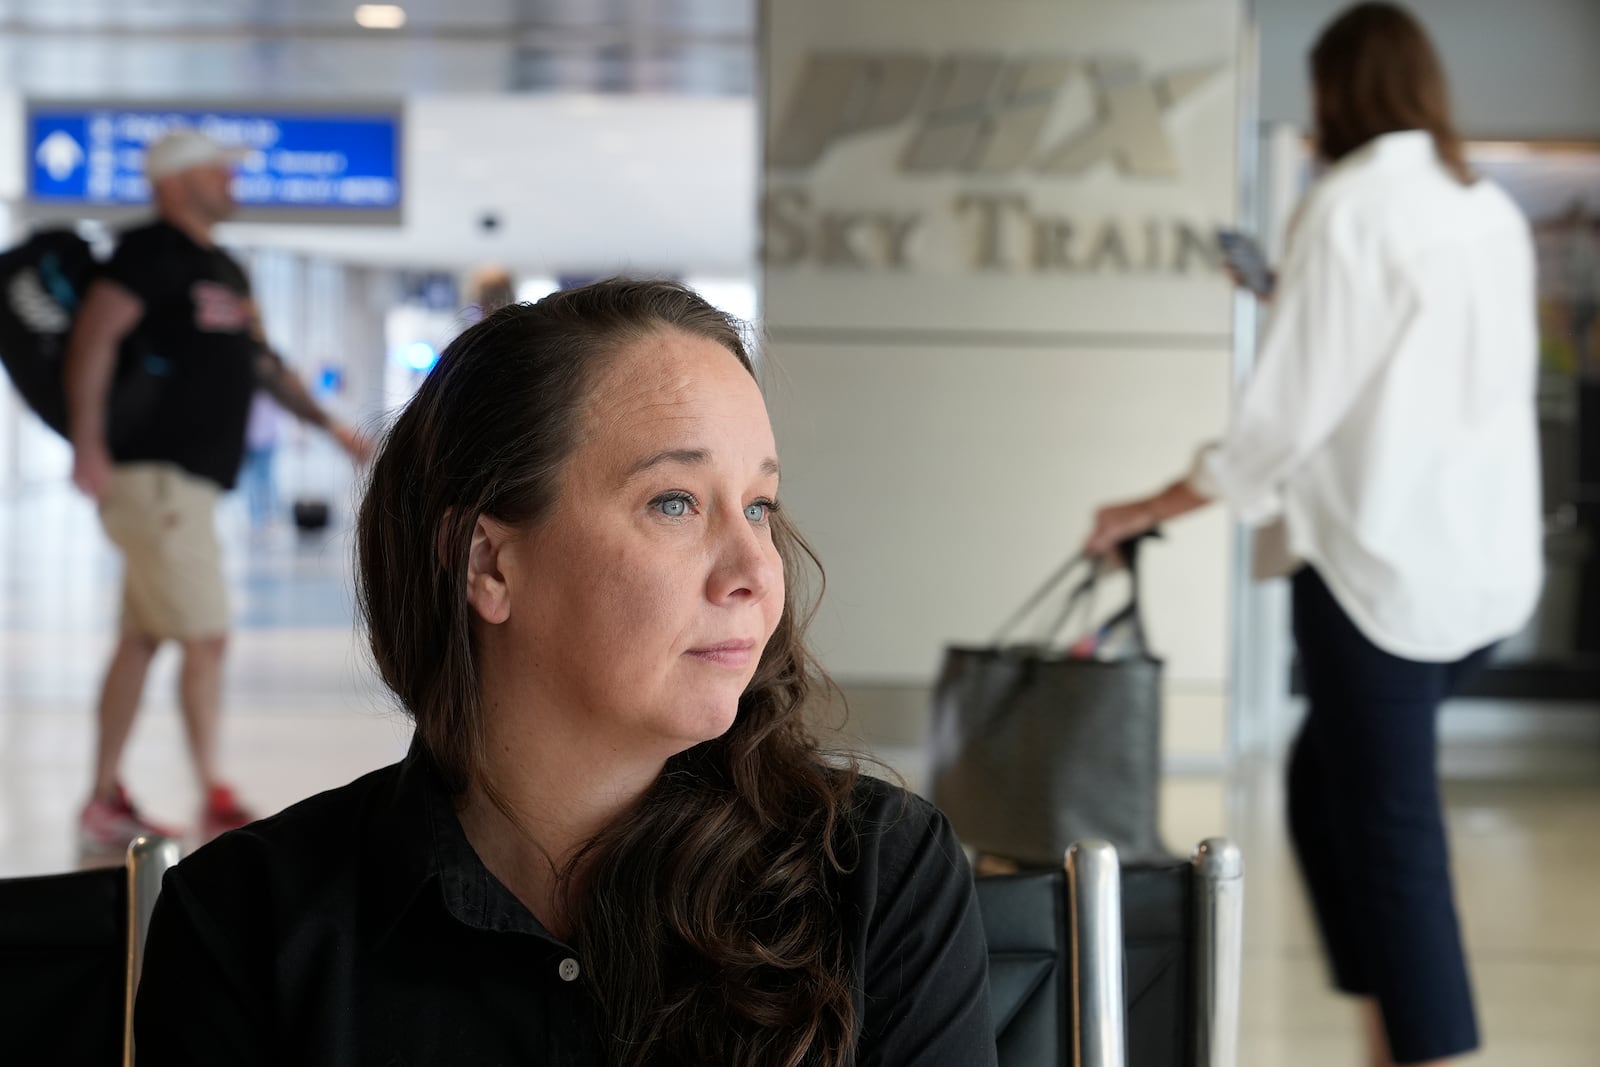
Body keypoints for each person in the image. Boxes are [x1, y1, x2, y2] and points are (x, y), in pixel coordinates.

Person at [134, 279, 997, 1066]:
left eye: (760, 506)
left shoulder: (877, 876)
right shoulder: (244, 923)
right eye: (675, 502)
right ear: (489, 564)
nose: (756, 569)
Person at [1085, 6, 1541, 1067]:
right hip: (1480, 572)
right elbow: (1417, 360)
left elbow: (1278, 426)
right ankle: (1388, 1022)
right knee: (1320, 786)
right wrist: (1294, 303)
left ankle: (1421, 1047)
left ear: (1339, 91)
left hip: (1380, 575)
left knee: (1390, 835)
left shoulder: (1344, 207)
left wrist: (1146, 506)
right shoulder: (1484, 209)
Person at [64, 128, 370, 851]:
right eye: (216, 171)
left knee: (141, 639)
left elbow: (264, 363)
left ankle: (103, 795)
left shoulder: (227, 268)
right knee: (206, 635)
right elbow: (93, 340)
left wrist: (332, 428)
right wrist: (87, 443)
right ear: (174, 182)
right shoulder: (148, 252)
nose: (232, 182)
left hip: (190, 484)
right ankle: (211, 787)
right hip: (154, 478)